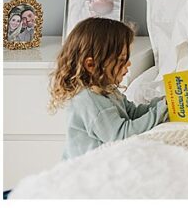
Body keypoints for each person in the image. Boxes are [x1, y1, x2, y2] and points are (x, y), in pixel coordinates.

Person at [49, 18, 168, 159]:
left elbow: (132, 113)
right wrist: (160, 112)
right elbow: (122, 134)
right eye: (122, 60)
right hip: (86, 171)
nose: (129, 64)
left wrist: (161, 103)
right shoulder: (89, 101)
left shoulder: (105, 88)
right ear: (91, 65)